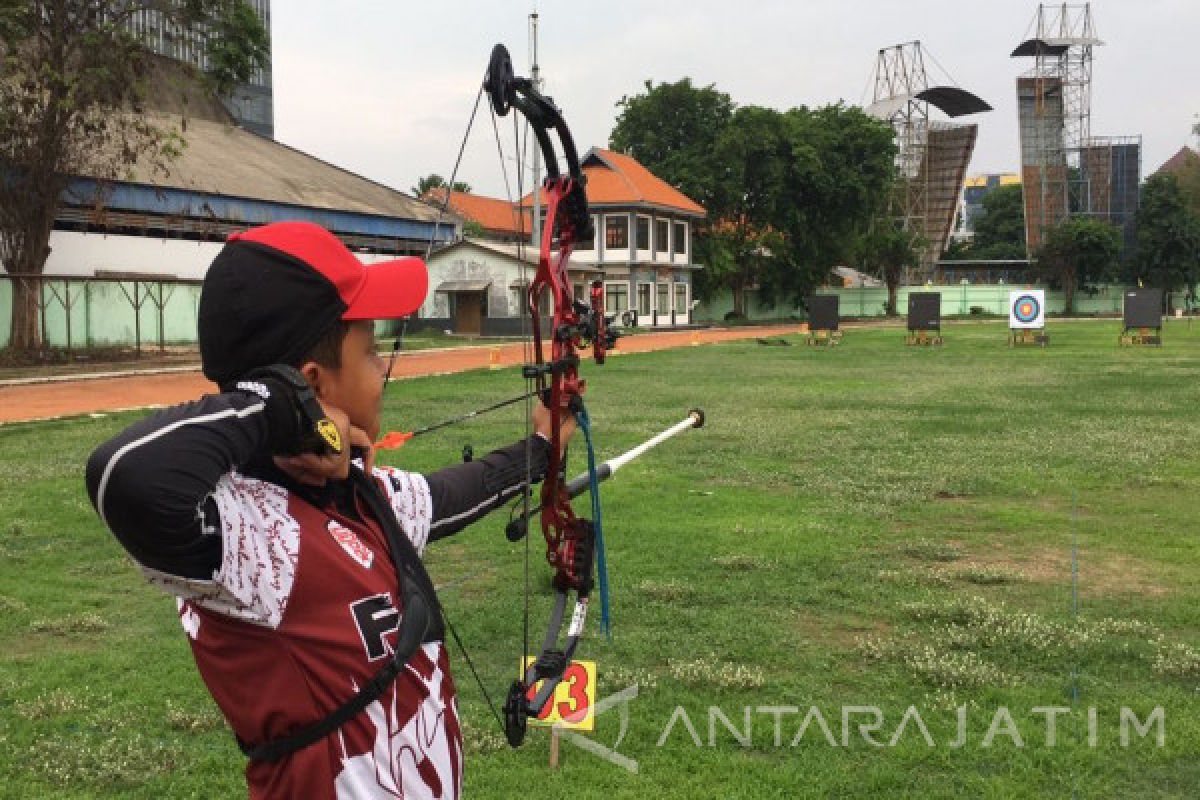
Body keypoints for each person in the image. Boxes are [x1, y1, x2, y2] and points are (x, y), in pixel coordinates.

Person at [84, 221, 575, 799]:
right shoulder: (253, 537)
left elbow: (447, 496)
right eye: (370, 352)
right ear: (312, 386)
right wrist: (277, 409)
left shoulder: (357, 494)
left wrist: (542, 449)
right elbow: (124, 475)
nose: (383, 368)